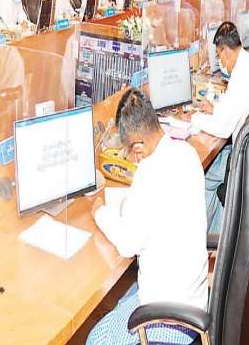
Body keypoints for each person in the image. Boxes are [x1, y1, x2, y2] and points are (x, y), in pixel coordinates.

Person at [87, 88, 208, 345]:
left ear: (138, 147)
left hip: (170, 319)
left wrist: (99, 212)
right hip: (194, 300)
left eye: (128, 151)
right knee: (122, 298)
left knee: (95, 339)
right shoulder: (186, 153)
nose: (130, 158)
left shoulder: (148, 175)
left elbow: (127, 245)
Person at [191, 22, 249, 233]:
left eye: (219, 55)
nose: (219, 61)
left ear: (226, 50)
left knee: (205, 176)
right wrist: (215, 108)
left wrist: (195, 119)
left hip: (246, 156)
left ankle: (208, 235)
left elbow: (223, 129)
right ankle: (220, 232)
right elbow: (235, 106)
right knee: (216, 162)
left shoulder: (241, 74)